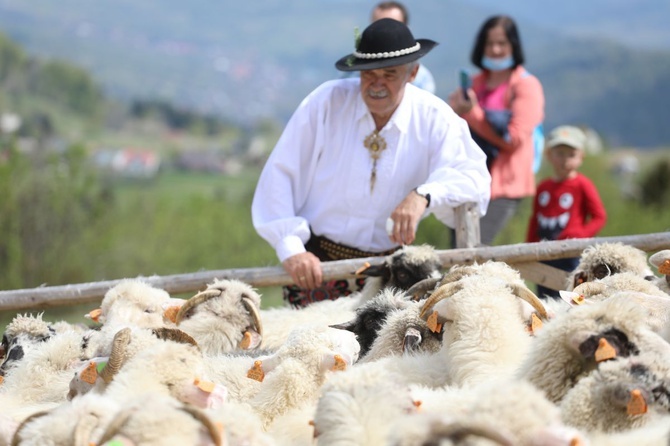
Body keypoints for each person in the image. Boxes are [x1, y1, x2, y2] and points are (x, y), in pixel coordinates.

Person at [252, 18, 491, 308]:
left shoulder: (434, 117)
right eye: (368, 74)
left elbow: (474, 178)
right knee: (311, 352)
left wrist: (424, 196)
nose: (377, 84)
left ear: (412, 73)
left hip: (392, 274)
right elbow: (280, 175)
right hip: (317, 267)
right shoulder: (325, 103)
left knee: (390, 353)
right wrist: (290, 247)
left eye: (389, 74)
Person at [448, 15, 545, 246]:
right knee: (458, 250)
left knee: (475, 247)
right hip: (466, 181)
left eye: (501, 43)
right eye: (489, 43)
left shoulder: (526, 85)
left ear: (514, 45)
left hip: (503, 186)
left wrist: (472, 114)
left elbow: (513, 139)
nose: (495, 49)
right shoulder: (475, 82)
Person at [526, 125, 607, 299]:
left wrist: (580, 235)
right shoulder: (543, 187)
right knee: (546, 298)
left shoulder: (582, 185)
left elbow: (599, 216)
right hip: (545, 253)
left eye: (571, 155)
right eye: (560, 154)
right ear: (549, 155)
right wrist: (530, 246)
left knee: (576, 296)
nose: (565, 160)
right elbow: (536, 219)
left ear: (581, 158)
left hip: (573, 254)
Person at [370, 1, 436, 94]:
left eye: (391, 27)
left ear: (412, 74)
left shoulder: (421, 80)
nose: (383, 33)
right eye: (377, 27)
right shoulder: (352, 74)